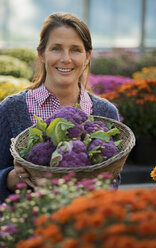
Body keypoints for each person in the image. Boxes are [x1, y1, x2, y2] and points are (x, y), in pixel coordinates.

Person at [0, 12, 120, 203]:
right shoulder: (11, 109)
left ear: (87, 56)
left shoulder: (106, 112)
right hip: (30, 227)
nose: (66, 58)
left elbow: (114, 180)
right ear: (41, 54)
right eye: (56, 48)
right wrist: (12, 178)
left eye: (75, 50)